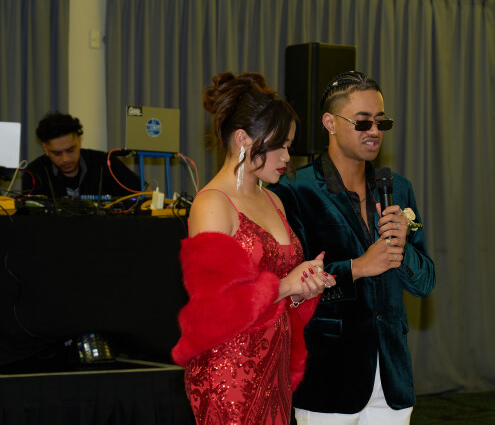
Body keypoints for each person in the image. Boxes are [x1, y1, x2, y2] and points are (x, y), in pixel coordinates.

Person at [269, 71, 436, 424]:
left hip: (391, 378)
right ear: (330, 122)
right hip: (328, 375)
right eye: (362, 122)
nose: (374, 131)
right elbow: (288, 289)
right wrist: (357, 267)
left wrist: (402, 250)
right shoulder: (294, 189)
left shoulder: (398, 188)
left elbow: (425, 283)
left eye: (381, 122)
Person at [171, 72, 335, 425]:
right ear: (243, 138)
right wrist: (288, 284)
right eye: (279, 145)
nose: (287, 156)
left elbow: (279, 298)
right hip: (229, 374)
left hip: (274, 365)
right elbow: (213, 311)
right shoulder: (212, 204)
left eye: (289, 145)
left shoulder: (274, 200)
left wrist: (303, 289)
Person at [23, 112, 141, 198]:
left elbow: (146, 194)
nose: (65, 159)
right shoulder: (34, 173)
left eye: (70, 150)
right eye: (57, 153)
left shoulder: (106, 164)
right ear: (46, 148)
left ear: (79, 141)